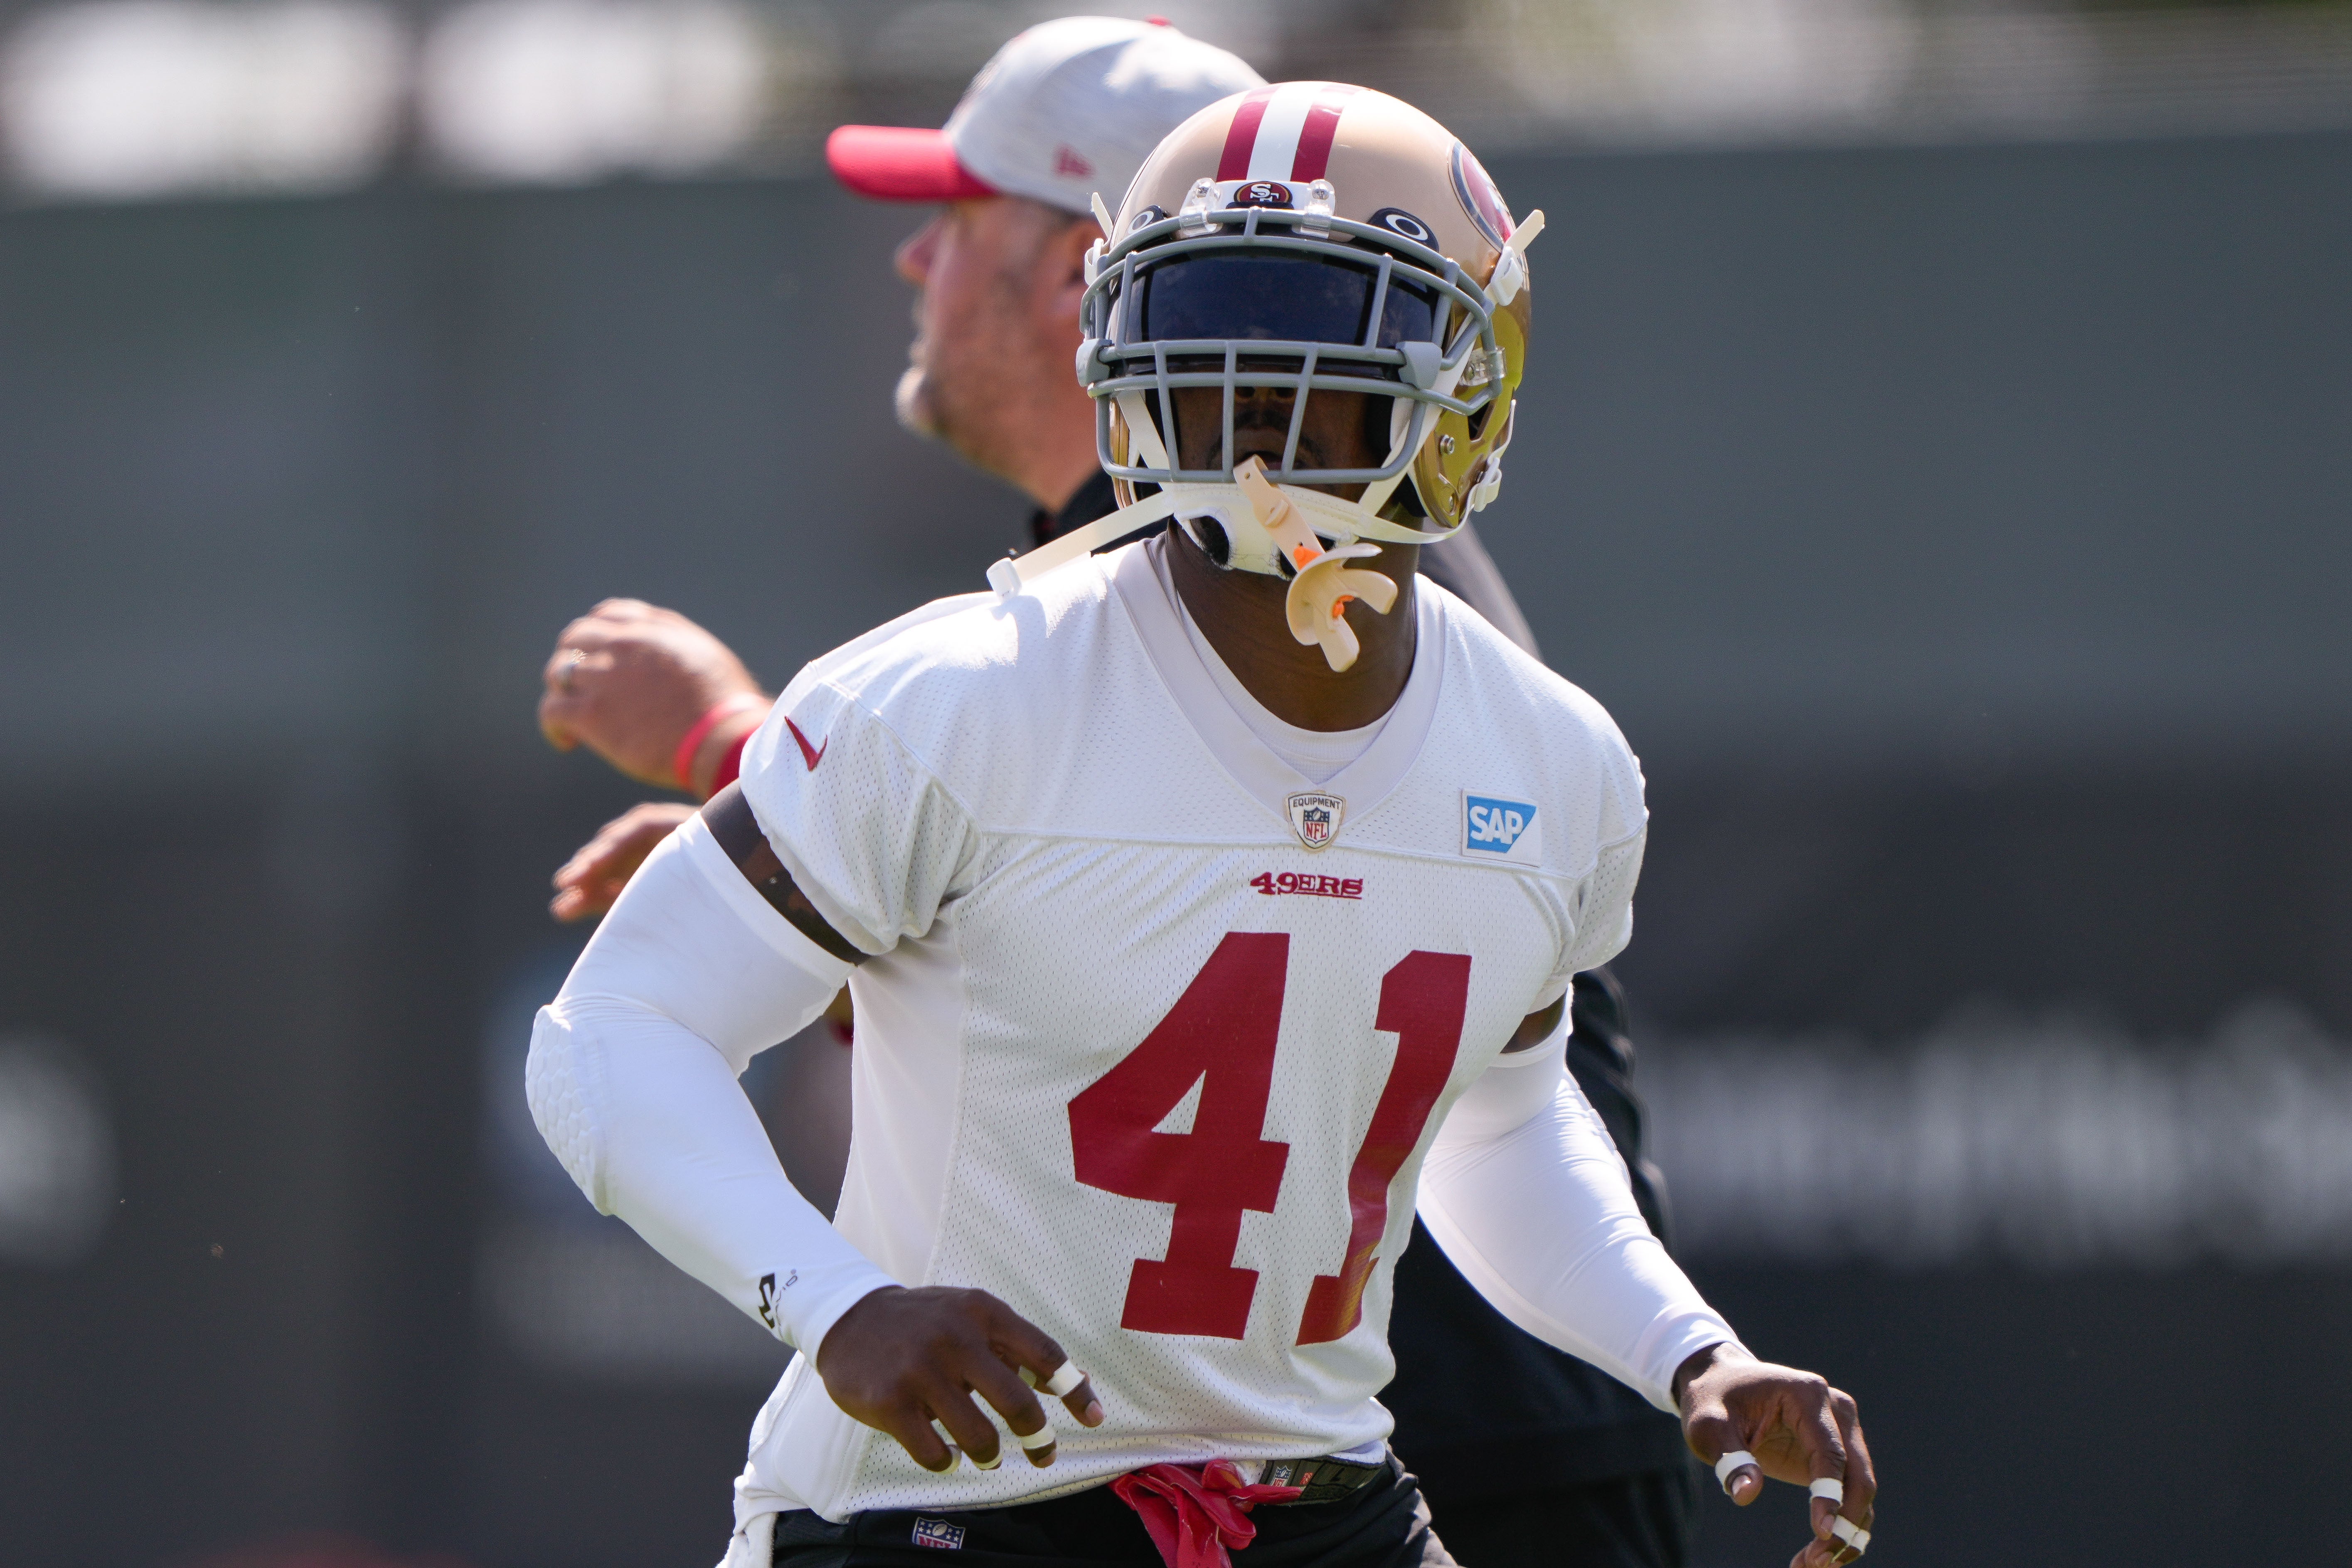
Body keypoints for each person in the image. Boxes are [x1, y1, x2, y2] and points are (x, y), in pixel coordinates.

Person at [526, 81, 1878, 1568]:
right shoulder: (954, 694)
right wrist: (833, 1300)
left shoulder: (1552, 758)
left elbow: (1498, 1120)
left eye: (1316, 322)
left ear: (1468, 368)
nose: (1246, 381)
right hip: (941, 1517)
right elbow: (615, 1031)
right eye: (1203, 309)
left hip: (1325, 1510)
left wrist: (1688, 1351)